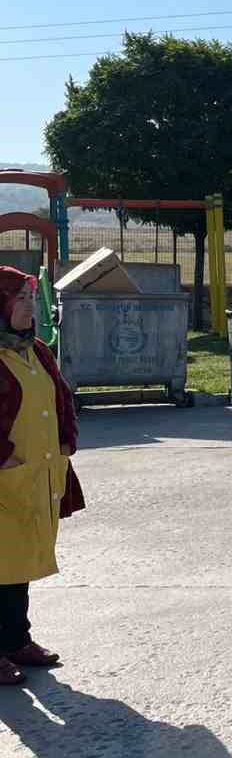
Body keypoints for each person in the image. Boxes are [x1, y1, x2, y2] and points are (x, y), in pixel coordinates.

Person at [0, 267, 85, 683]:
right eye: (19, 300)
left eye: (31, 300)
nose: (29, 308)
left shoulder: (36, 349)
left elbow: (62, 396)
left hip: (39, 473)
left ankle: (17, 640)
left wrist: (68, 439)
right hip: (7, 476)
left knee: (20, 560)